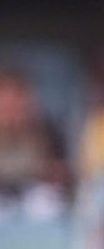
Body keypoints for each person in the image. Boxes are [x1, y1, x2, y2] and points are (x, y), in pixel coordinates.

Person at [0, 66, 72, 219]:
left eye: (16, 102)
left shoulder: (47, 130)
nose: (11, 110)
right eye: (6, 104)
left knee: (48, 205)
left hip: (34, 198)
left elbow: (61, 175)